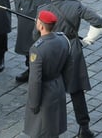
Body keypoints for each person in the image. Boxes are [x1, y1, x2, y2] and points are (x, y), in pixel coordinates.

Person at [36, 0, 102, 138]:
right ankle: (84, 128)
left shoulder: (43, 9)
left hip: (51, 51)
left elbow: (35, 35)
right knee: (76, 91)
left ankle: (49, 128)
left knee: (49, 90)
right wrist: (89, 39)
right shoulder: (76, 6)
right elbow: (97, 21)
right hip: (72, 49)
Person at [24, 9, 70, 138]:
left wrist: (33, 103)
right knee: (53, 126)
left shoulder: (37, 49)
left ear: (41, 26)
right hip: (58, 86)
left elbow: (35, 80)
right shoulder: (63, 39)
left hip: (45, 92)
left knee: (41, 130)